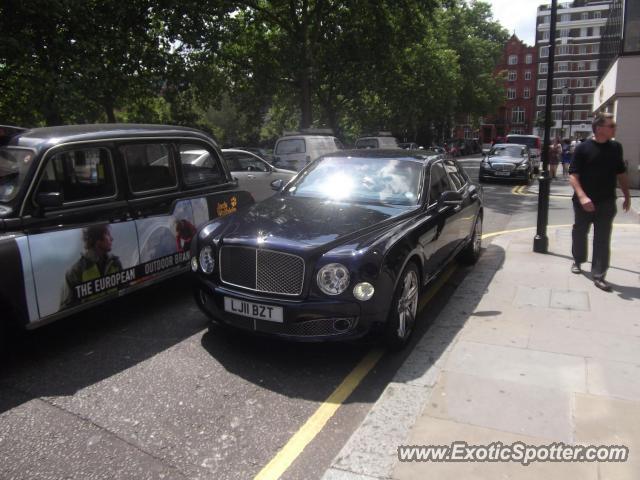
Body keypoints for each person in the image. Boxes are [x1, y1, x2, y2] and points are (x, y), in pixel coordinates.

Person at [568, 112, 631, 292]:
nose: (614, 129)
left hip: (606, 201)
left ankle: (599, 275)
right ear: (599, 128)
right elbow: (573, 175)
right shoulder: (582, 148)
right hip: (584, 202)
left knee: (602, 238)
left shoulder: (616, 147)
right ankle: (578, 260)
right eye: (611, 126)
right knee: (580, 232)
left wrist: (626, 195)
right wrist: (582, 196)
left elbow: (621, 173)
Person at [61, 224, 123, 307]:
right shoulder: (75, 272)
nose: (112, 238)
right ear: (97, 240)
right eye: (107, 234)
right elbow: (66, 308)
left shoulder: (115, 263)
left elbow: (124, 289)